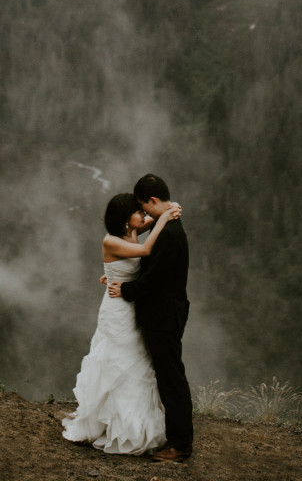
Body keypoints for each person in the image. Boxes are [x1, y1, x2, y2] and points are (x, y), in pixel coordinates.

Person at [61, 191, 182, 455]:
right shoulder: (111, 241)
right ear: (127, 219)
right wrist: (166, 218)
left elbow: (156, 216)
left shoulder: (133, 229)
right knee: (117, 360)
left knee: (137, 361)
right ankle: (111, 425)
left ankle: (133, 424)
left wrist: (170, 207)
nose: (144, 215)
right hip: (117, 309)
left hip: (133, 305)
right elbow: (146, 250)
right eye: (138, 213)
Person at [109, 173, 193, 463]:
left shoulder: (169, 233)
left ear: (154, 201)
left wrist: (124, 288)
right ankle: (177, 439)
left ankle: (180, 444)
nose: (143, 214)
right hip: (168, 313)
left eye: (144, 207)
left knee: (171, 380)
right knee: (170, 377)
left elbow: (153, 280)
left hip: (164, 317)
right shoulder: (168, 223)